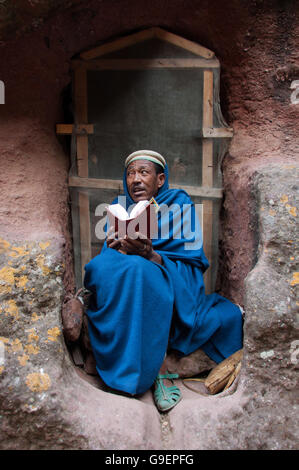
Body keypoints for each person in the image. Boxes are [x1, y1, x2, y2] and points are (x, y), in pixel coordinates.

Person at [84, 150, 243, 411]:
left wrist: (149, 253)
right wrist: (115, 247)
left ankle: (155, 370)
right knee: (103, 267)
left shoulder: (180, 204)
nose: (135, 179)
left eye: (143, 172)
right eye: (131, 173)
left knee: (139, 271)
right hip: (125, 270)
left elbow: (191, 264)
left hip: (161, 273)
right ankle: (114, 360)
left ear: (160, 179)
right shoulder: (119, 206)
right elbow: (106, 260)